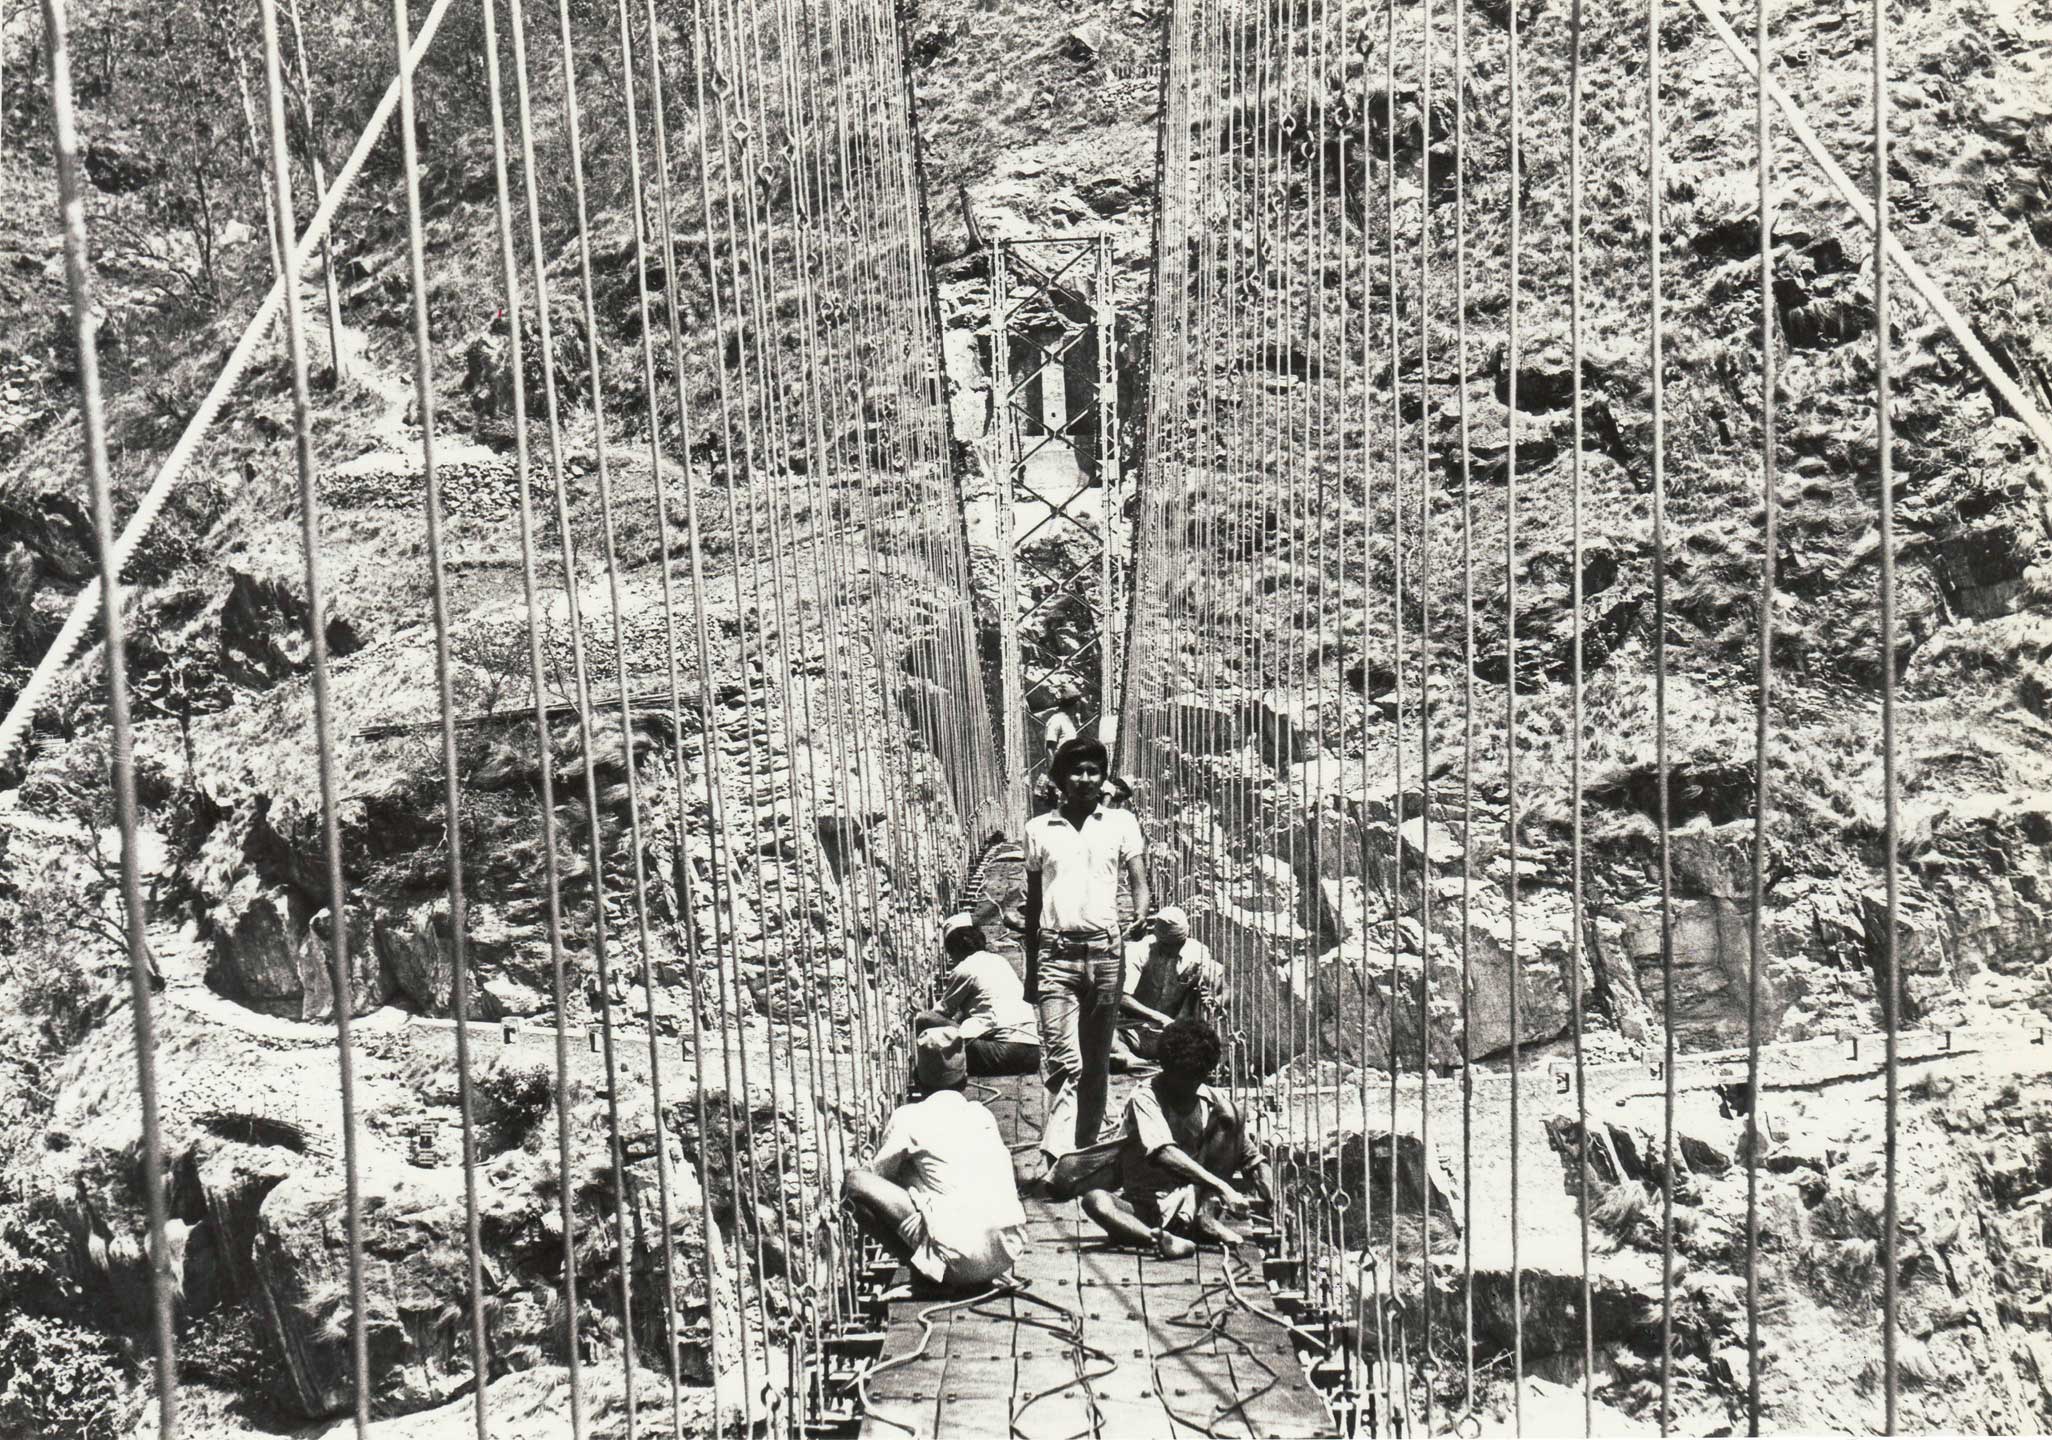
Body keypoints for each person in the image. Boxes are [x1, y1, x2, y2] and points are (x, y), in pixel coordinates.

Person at [1024, 735, 1150, 1166]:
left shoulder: (1121, 823)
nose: (1084, 779)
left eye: (1093, 771)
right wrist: (1029, 973)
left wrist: (1141, 909)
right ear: (1060, 779)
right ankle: (1058, 1154)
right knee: (1067, 1062)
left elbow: (1137, 877)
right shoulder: (1038, 829)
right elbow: (1034, 903)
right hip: (1055, 956)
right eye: (1076, 771)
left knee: (1097, 1064)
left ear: (1103, 778)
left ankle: (1087, 1149)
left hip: (1106, 954)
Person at [841, 1028, 1028, 1293]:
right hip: (1006, 1252)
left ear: (917, 1080)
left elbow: (879, 1178)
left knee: (857, 1183)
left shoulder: (909, 1117)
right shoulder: (982, 1114)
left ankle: (928, 1275)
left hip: (959, 1260)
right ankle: (954, 1265)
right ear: (965, 1079)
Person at [1081, 1017, 1270, 1260]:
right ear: (1166, 1069)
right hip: (1145, 1205)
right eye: (1181, 1080)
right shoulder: (1145, 1097)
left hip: (1194, 1199)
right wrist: (1222, 1186)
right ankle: (1157, 1238)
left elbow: (1252, 1159)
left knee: (1233, 1115)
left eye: (1195, 1080)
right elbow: (1163, 1152)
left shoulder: (1213, 1100)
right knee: (1095, 1201)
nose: (1188, 1088)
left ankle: (1205, 1218)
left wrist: (1272, 1198)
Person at [913, 912, 1040, 1077]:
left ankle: (929, 1078)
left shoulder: (965, 968)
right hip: (1031, 1054)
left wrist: (920, 1010)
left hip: (1004, 1052)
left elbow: (940, 1014)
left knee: (928, 1024)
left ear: (955, 948)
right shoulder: (1000, 961)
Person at [1112, 904, 1223, 1069]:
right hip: (1135, 1029)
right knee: (1105, 1032)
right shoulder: (1138, 952)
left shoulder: (1197, 952)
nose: (1172, 949)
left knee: (1202, 1039)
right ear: (1157, 937)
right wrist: (1159, 1018)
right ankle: (1126, 1057)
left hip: (1175, 1035)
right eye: (1167, 945)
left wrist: (1216, 999)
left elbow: (1224, 985)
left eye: (1178, 943)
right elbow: (1121, 997)